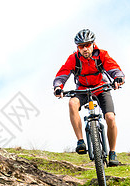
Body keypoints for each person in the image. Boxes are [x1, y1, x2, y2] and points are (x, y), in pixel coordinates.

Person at [53, 29, 125, 166]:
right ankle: (80, 141)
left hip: (101, 88)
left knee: (110, 117)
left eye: (87, 44)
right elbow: (62, 73)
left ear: (93, 44)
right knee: (72, 103)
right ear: (77, 48)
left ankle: (113, 152)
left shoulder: (102, 54)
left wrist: (118, 77)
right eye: (81, 46)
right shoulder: (73, 59)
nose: (85, 48)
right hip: (82, 90)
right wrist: (58, 86)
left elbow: (113, 67)